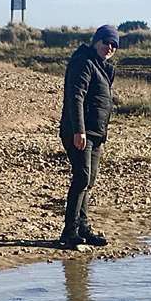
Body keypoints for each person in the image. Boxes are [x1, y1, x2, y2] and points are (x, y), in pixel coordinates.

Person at [58, 23, 119, 249]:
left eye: (114, 45)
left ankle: (83, 227)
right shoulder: (83, 62)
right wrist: (79, 130)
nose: (109, 47)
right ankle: (69, 231)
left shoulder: (102, 67)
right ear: (96, 41)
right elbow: (76, 97)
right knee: (82, 177)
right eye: (106, 42)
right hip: (80, 132)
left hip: (96, 133)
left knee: (89, 180)